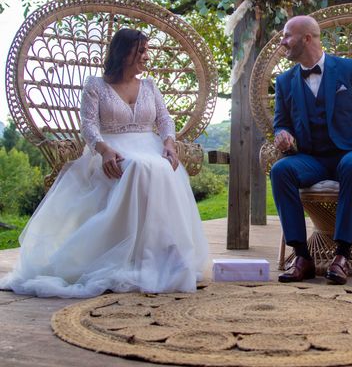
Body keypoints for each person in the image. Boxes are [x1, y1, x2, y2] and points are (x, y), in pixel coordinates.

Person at [0, 28, 208, 298]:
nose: (147, 56)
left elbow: (165, 120)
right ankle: (125, 254)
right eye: (141, 51)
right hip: (111, 147)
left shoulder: (150, 86)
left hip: (149, 144)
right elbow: (88, 125)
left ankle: (164, 252)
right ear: (124, 54)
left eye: (147, 50)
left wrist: (168, 142)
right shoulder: (95, 85)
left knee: (159, 166)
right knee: (138, 167)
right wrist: (104, 150)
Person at [271, 16, 352, 285]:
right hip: (311, 159)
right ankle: (302, 257)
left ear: (307, 38)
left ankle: (342, 256)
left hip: (351, 152)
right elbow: (281, 123)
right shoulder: (284, 81)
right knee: (281, 170)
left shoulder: (348, 69)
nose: (282, 42)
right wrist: (283, 135)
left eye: (287, 35)